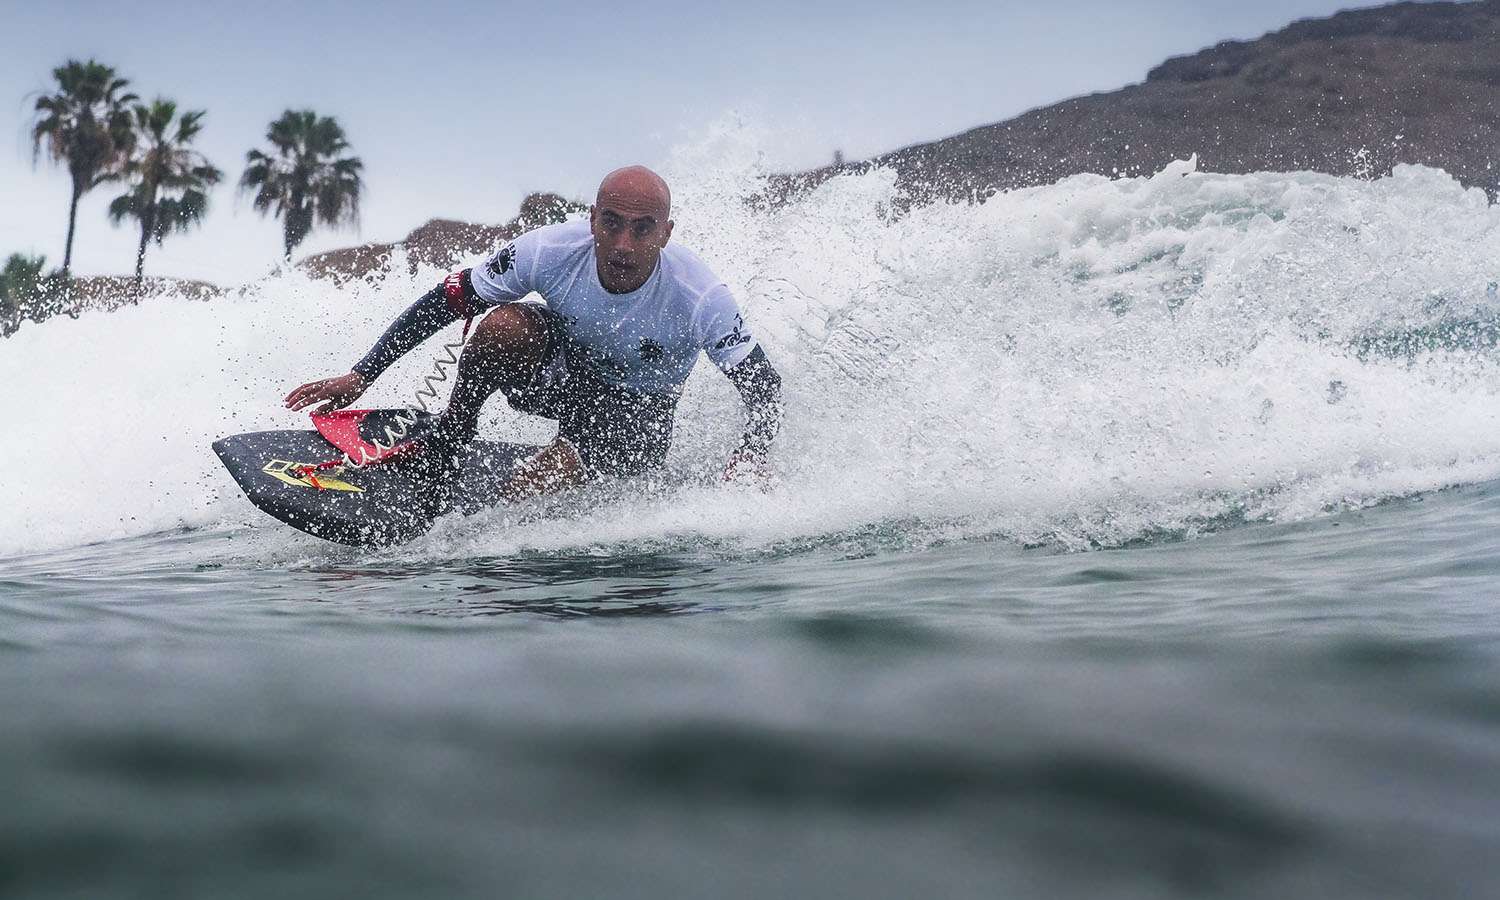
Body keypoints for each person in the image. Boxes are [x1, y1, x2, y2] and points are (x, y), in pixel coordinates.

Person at [284, 165, 783, 502]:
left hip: (637, 416)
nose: (623, 243)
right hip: (564, 379)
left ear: (666, 233)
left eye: (642, 229)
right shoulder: (550, 249)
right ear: (593, 219)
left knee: (532, 487)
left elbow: (764, 384)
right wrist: (362, 374)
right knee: (502, 323)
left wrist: (752, 454)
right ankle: (452, 441)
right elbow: (449, 299)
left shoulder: (699, 296)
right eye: (611, 223)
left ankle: (499, 505)